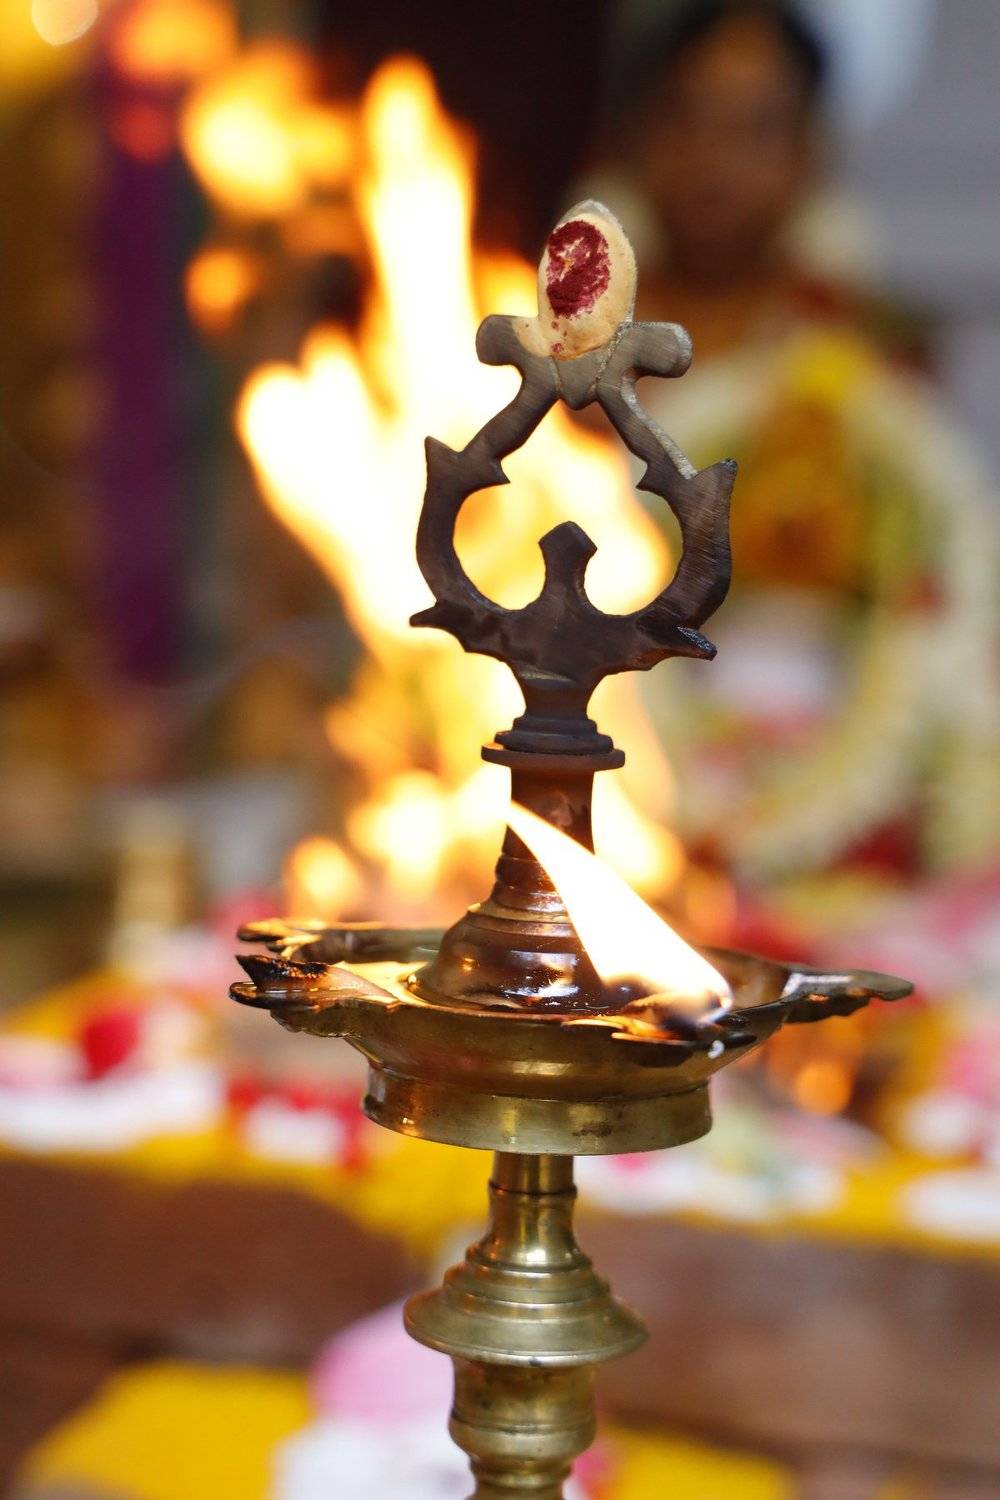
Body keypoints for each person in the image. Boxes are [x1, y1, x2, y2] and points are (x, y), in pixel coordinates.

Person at [587, 0, 998, 899]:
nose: (712, 161)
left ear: (811, 153)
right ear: (636, 131)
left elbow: (925, 613)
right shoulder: (564, 357)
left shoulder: (868, 367)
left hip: (824, 816)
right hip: (586, 771)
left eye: (753, 128)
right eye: (687, 117)